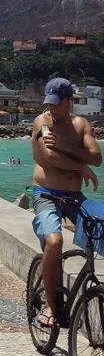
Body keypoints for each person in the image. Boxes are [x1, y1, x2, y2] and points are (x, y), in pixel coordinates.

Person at [30, 78, 102, 328]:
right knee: (55, 240)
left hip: (74, 197)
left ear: (70, 101)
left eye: (58, 104)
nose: (53, 109)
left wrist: (68, 149)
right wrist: (81, 166)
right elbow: (50, 158)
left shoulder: (81, 125)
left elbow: (96, 158)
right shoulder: (44, 123)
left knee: (102, 225)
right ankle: (50, 305)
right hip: (46, 194)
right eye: (49, 104)